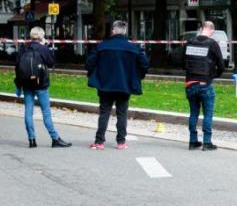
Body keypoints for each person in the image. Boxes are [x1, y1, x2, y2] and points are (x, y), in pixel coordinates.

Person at [86, 20, 149, 150]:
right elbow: (144, 64)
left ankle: (99, 141)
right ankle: (121, 142)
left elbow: (89, 62)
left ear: (113, 31)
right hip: (124, 84)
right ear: (125, 31)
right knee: (122, 113)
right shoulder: (133, 47)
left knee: (104, 112)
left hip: (105, 84)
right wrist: (137, 76)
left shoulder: (102, 45)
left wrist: (95, 74)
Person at [15, 26, 71, 148]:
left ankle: (32, 140)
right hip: (41, 85)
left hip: (26, 85)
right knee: (46, 112)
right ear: (41, 36)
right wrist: (46, 46)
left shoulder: (23, 48)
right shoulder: (43, 48)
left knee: (28, 112)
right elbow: (51, 63)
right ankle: (55, 138)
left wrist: (18, 85)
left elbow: (17, 67)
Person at [184, 21, 225, 151]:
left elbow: (179, 59)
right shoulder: (212, 44)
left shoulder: (189, 42)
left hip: (190, 83)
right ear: (211, 31)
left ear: (201, 29)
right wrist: (213, 75)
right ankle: (207, 142)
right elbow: (221, 65)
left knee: (193, 113)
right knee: (208, 114)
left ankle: (193, 141)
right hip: (204, 84)